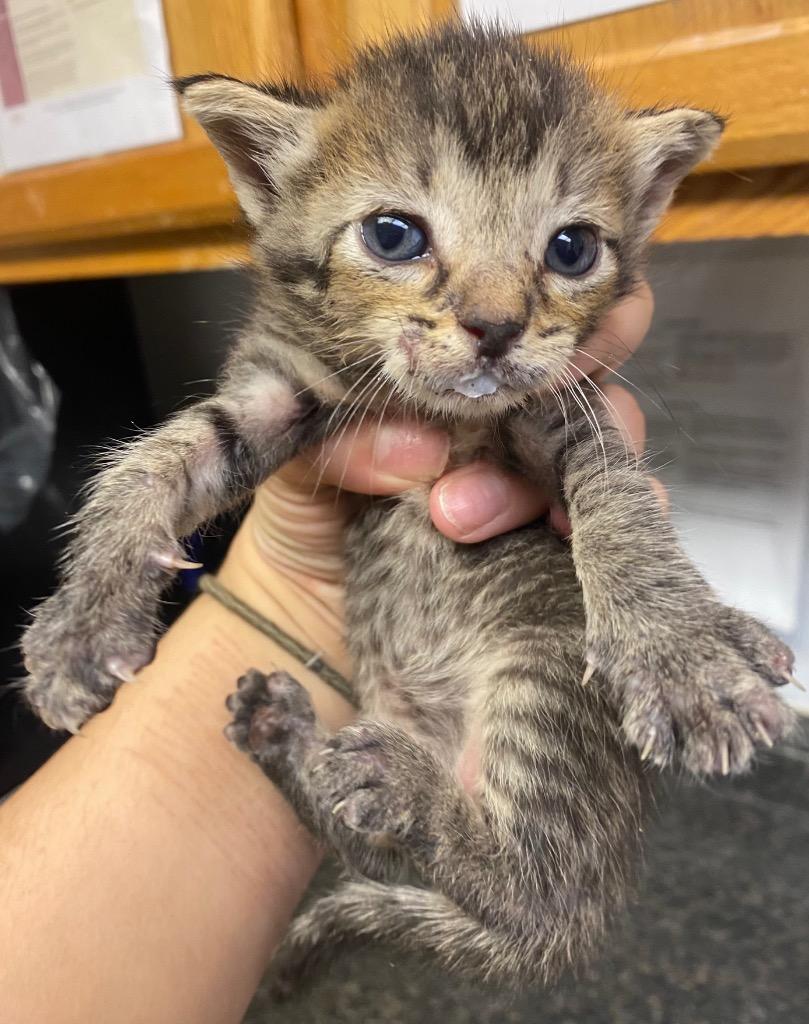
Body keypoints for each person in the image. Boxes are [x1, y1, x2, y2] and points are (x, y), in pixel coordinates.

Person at [0, 287, 653, 1024]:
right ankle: (377, 801)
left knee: (564, 617)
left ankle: (471, 852)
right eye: (395, 235)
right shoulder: (333, 339)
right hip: (405, 673)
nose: (494, 306)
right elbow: (218, 439)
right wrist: (110, 582)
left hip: (486, 696)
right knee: (380, 776)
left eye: (565, 249)